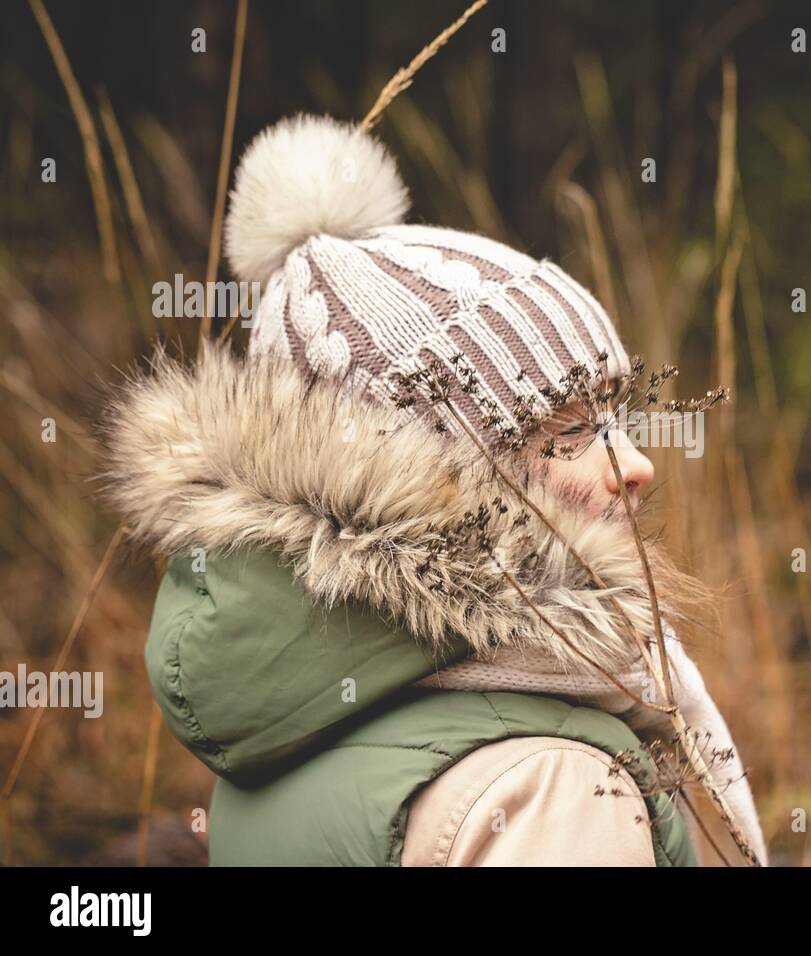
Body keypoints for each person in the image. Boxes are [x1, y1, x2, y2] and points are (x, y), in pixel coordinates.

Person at [101, 114, 767, 866]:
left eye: (616, 414)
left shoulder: (289, 719)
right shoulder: (553, 787)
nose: (636, 463)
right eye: (566, 432)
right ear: (432, 481)